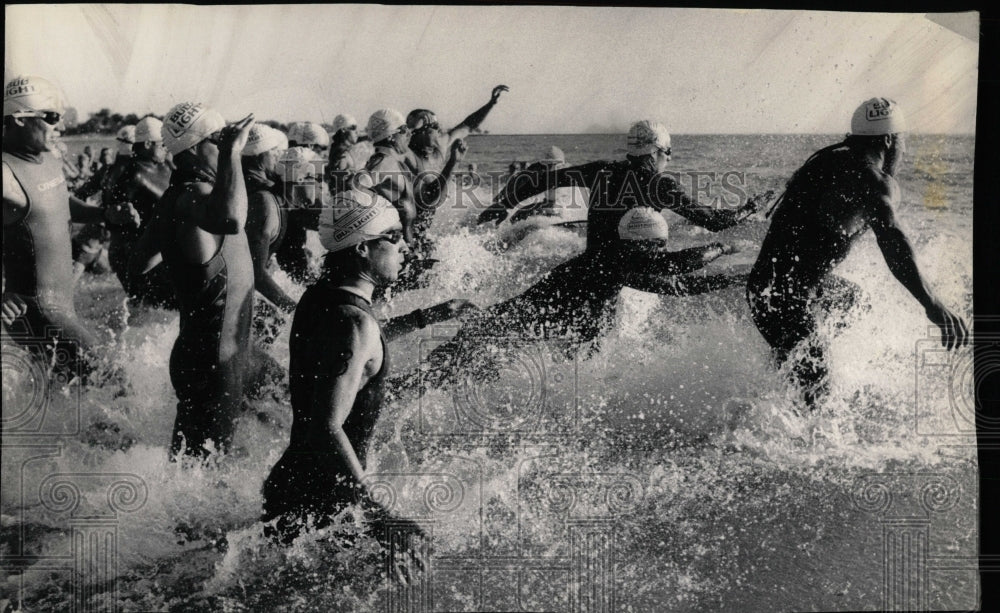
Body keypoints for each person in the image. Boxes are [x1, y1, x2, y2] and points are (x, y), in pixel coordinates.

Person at [261, 187, 475, 556]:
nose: (405, 245)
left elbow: (356, 344)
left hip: (295, 487)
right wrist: (380, 514)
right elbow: (326, 427)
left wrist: (428, 316)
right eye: (393, 236)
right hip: (325, 504)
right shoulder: (354, 324)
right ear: (361, 247)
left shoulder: (319, 297)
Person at [746, 98, 969, 408]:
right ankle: (796, 411)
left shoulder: (828, 161)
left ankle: (794, 367)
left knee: (853, 300)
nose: (903, 151)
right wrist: (932, 304)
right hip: (790, 297)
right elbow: (893, 241)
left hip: (766, 289)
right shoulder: (873, 181)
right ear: (890, 139)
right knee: (818, 398)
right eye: (902, 141)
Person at [397, 207, 747, 394]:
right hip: (498, 332)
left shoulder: (613, 264)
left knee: (432, 382)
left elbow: (675, 286)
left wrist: (737, 278)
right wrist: (724, 246)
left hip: (503, 332)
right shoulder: (612, 261)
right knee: (424, 382)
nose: (660, 254)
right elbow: (676, 265)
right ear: (644, 245)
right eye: (658, 247)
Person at [133, 101, 255, 459]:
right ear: (194, 148)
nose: (227, 145)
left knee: (196, 471)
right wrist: (233, 153)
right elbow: (233, 219)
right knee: (202, 484)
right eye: (218, 139)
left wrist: (191, 280)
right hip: (212, 362)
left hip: (204, 352)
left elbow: (138, 266)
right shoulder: (194, 196)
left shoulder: (175, 198)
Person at [479, 120, 772, 266]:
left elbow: (540, 179)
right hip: (629, 276)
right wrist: (750, 207)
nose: (669, 159)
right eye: (668, 153)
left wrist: (503, 204)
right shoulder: (661, 185)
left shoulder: (600, 170)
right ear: (657, 151)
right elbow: (714, 222)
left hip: (587, 266)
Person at [2, 75, 109, 380]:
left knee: (73, 391)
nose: (61, 127)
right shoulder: (6, 174)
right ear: (20, 119)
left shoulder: (47, 156)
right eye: (51, 118)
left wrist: (103, 214)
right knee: (114, 381)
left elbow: (61, 200)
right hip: (34, 310)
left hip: (61, 305)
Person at [104, 116, 176, 308]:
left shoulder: (165, 166)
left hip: (160, 251)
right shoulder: (130, 175)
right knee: (150, 310)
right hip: (136, 254)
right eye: (162, 144)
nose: (166, 148)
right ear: (147, 144)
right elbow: (112, 221)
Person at [242, 123, 296, 346]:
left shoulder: (244, 184)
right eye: (275, 151)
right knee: (273, 325)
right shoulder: (261, 199)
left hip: (230, 285)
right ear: (260, 154)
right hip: (235, 288)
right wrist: (294, 309)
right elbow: (255, 273)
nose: (278, 156)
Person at [272, 145, 324, 285]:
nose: (320, 185)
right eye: (317, 178)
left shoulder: (292, 207)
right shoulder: (272, 210)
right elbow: (257, 271)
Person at [509, 145, 572, 224]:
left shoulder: (566, 177)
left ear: (561, 165)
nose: (546, 169)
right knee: (515, 217)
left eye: (550, 165)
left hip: (559, 212)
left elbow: (558, 205)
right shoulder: (547, 176)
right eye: (545, 166)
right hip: (551, 209)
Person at [326, 113, 365, 196]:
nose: (357, 132)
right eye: (353, 128)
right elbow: (338, 184)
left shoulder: (338, 149)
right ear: (343, 130)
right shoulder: (341, 153)